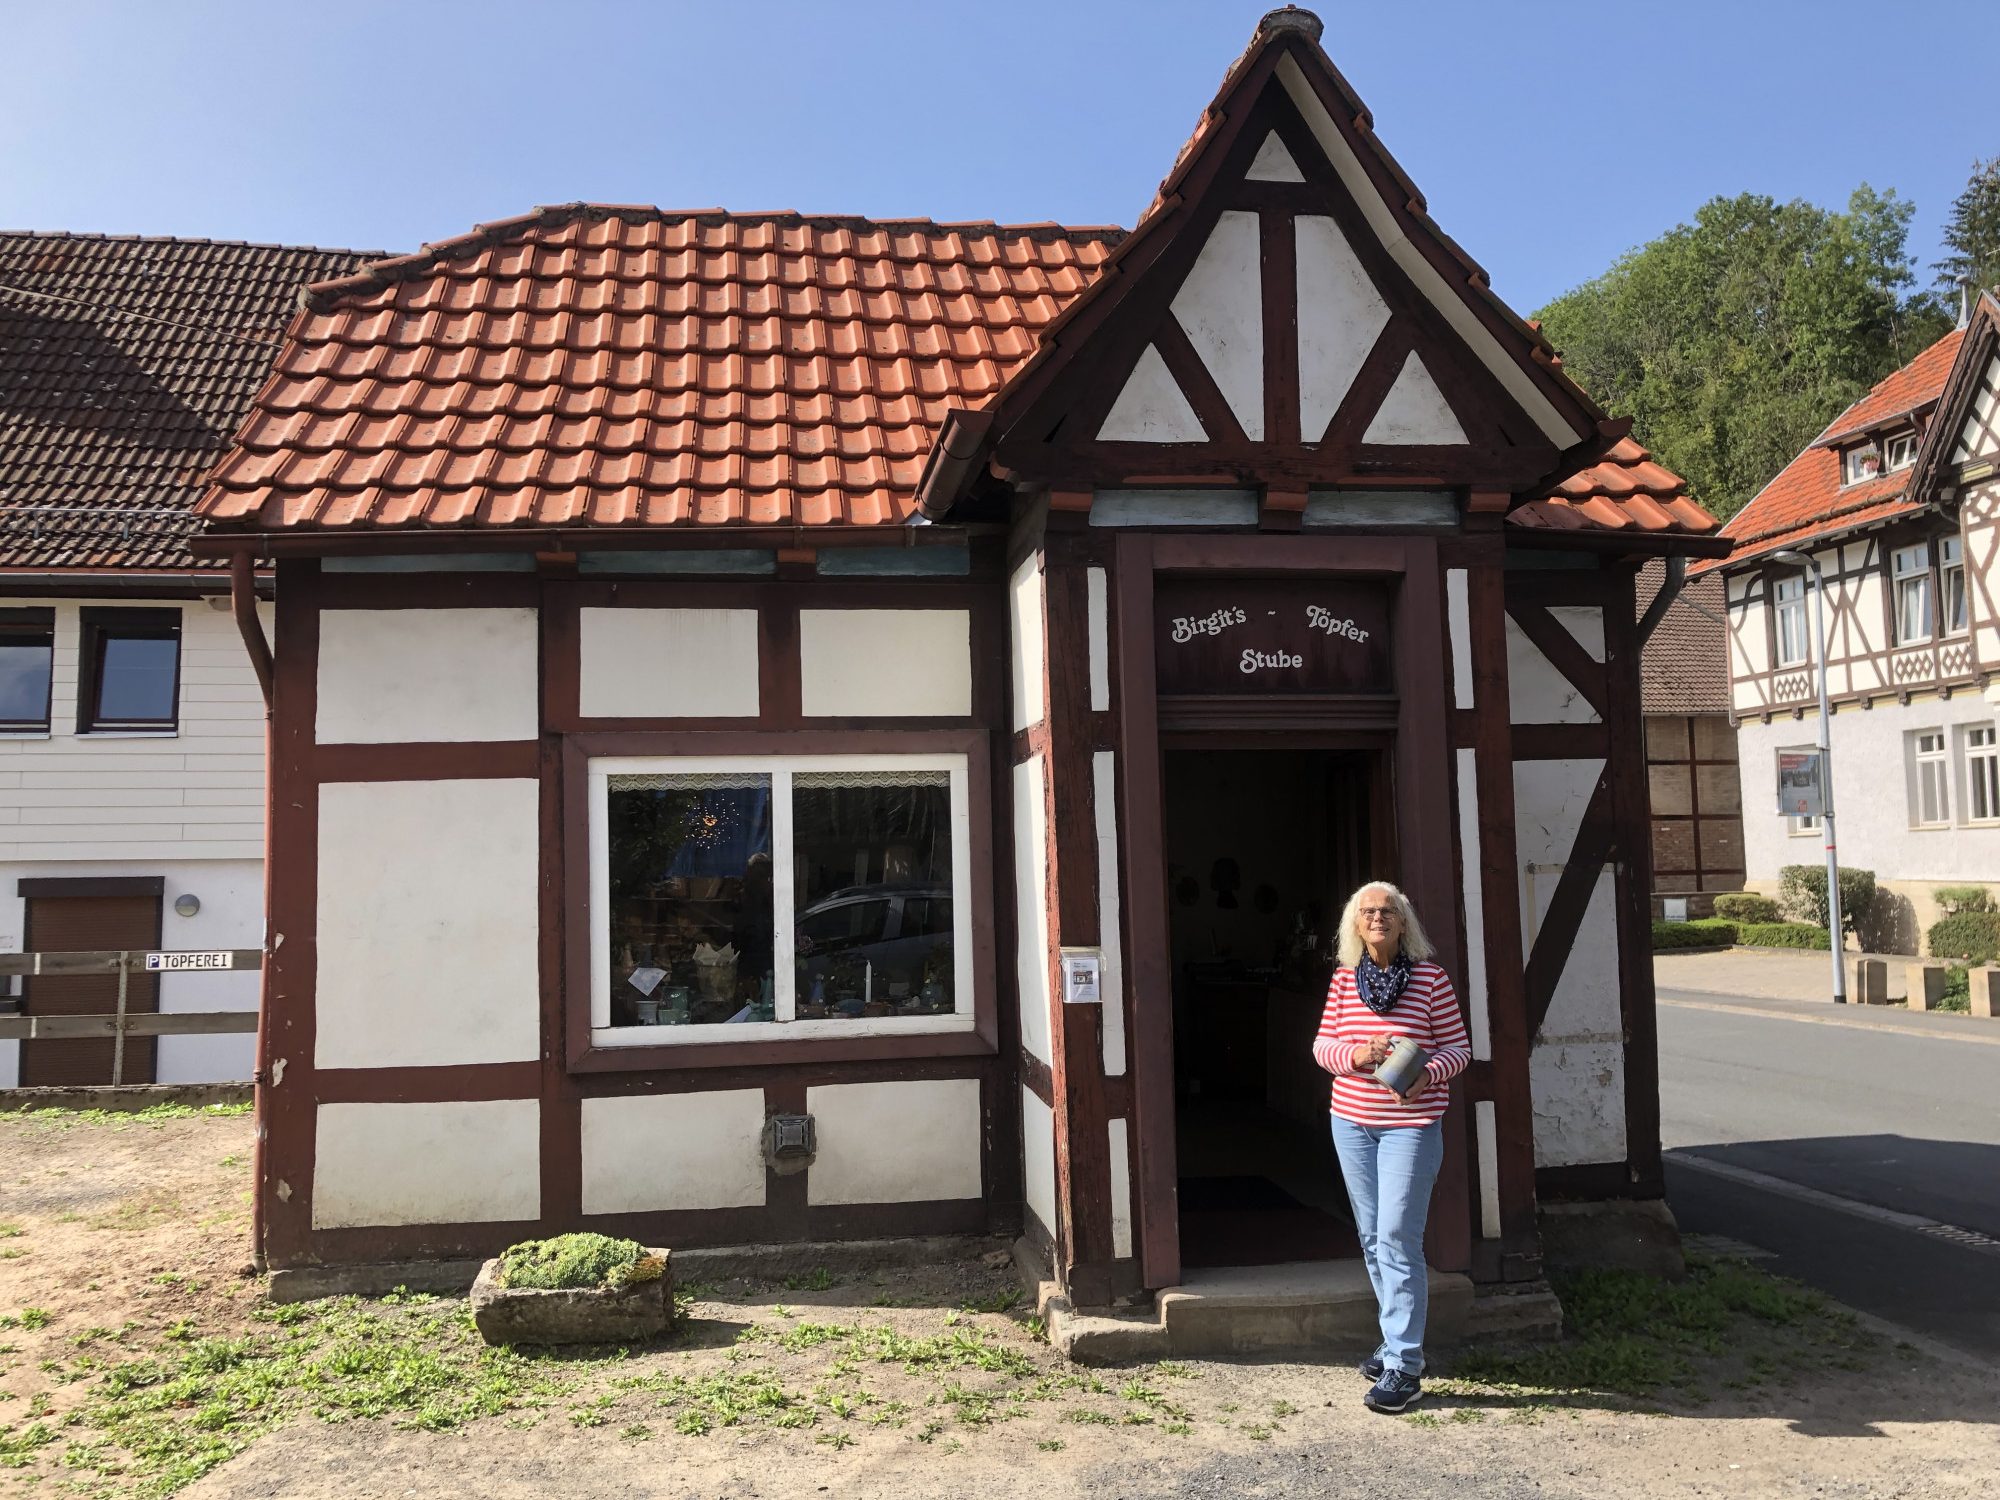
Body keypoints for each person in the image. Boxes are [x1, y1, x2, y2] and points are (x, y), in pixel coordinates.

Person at [1311, 881, 1471, 1414]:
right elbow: (1322, 1047)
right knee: (1373, 1238)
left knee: (1398, 1237)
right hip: (1351, 1124)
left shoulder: (1430, 979)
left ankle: (1405, 1364)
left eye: (1388, 911)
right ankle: (1394, 1340)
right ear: (1355, 925)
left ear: (1404, 922)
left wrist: (1428, 1074)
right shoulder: (1343, 980)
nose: (1378, 918)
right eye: (1368, 912)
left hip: (1411, 1126)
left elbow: (1459, 1048)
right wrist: (1357, 1055)